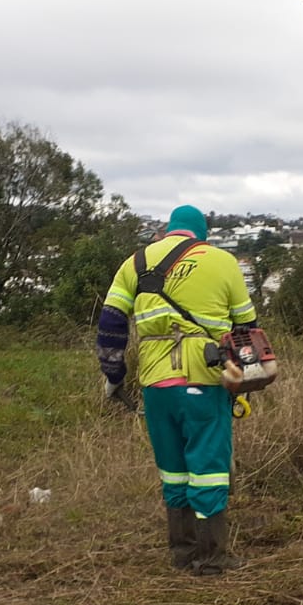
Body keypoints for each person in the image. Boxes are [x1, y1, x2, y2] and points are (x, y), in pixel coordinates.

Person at [97, 204, 260, 574]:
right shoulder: (222, 262)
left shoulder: (135, 262)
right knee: (209, 468)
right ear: (202, 234)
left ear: (167, 231)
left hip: (155, 384)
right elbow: (247, 329)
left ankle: (182, 553)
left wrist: (114, 375)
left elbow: (110, 324)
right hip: (205, 379)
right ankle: (213, 557)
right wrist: (246, 381)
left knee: (173, 468)